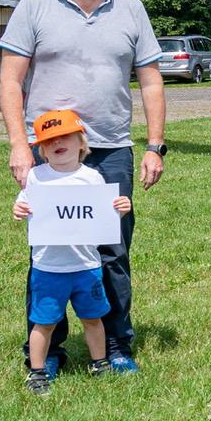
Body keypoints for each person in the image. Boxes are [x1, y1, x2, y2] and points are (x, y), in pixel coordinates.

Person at [0, 0, 166, 377]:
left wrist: (154, 145)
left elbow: (151, 82)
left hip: (111, 149)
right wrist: (18, 144)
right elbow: (10, 80)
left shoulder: (131, 9)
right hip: (47, 150)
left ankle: (114, 343)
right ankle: (47, 350)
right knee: (48, 250)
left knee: (111, 251)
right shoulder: (34, 6)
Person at [14, 109, 132, 394]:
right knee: (43, 323)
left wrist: (119, 209)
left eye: (66, 136)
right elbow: (24, 204)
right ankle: (37, 371)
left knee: (93, 319)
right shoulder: (37, 178)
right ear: (42, 149)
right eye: (49, 140)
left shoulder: (91, 178)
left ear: (82, 143)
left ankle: (99, 362)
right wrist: (19, 208)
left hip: (86, 266)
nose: (58, 143)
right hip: (49, 268)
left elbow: (103, 217)